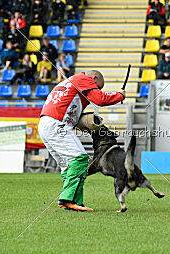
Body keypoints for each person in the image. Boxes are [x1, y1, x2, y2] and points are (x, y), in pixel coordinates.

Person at [38, 70, 125, 211]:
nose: (94, 90)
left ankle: (75, 203)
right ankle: (67, 199)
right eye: (97, 87)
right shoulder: (84, 79)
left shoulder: (68, 82)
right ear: (94, 78)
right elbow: (101, 100)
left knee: (67, 165)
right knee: (80, 159)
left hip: (45, 124)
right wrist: (119, 95)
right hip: (57, 124)